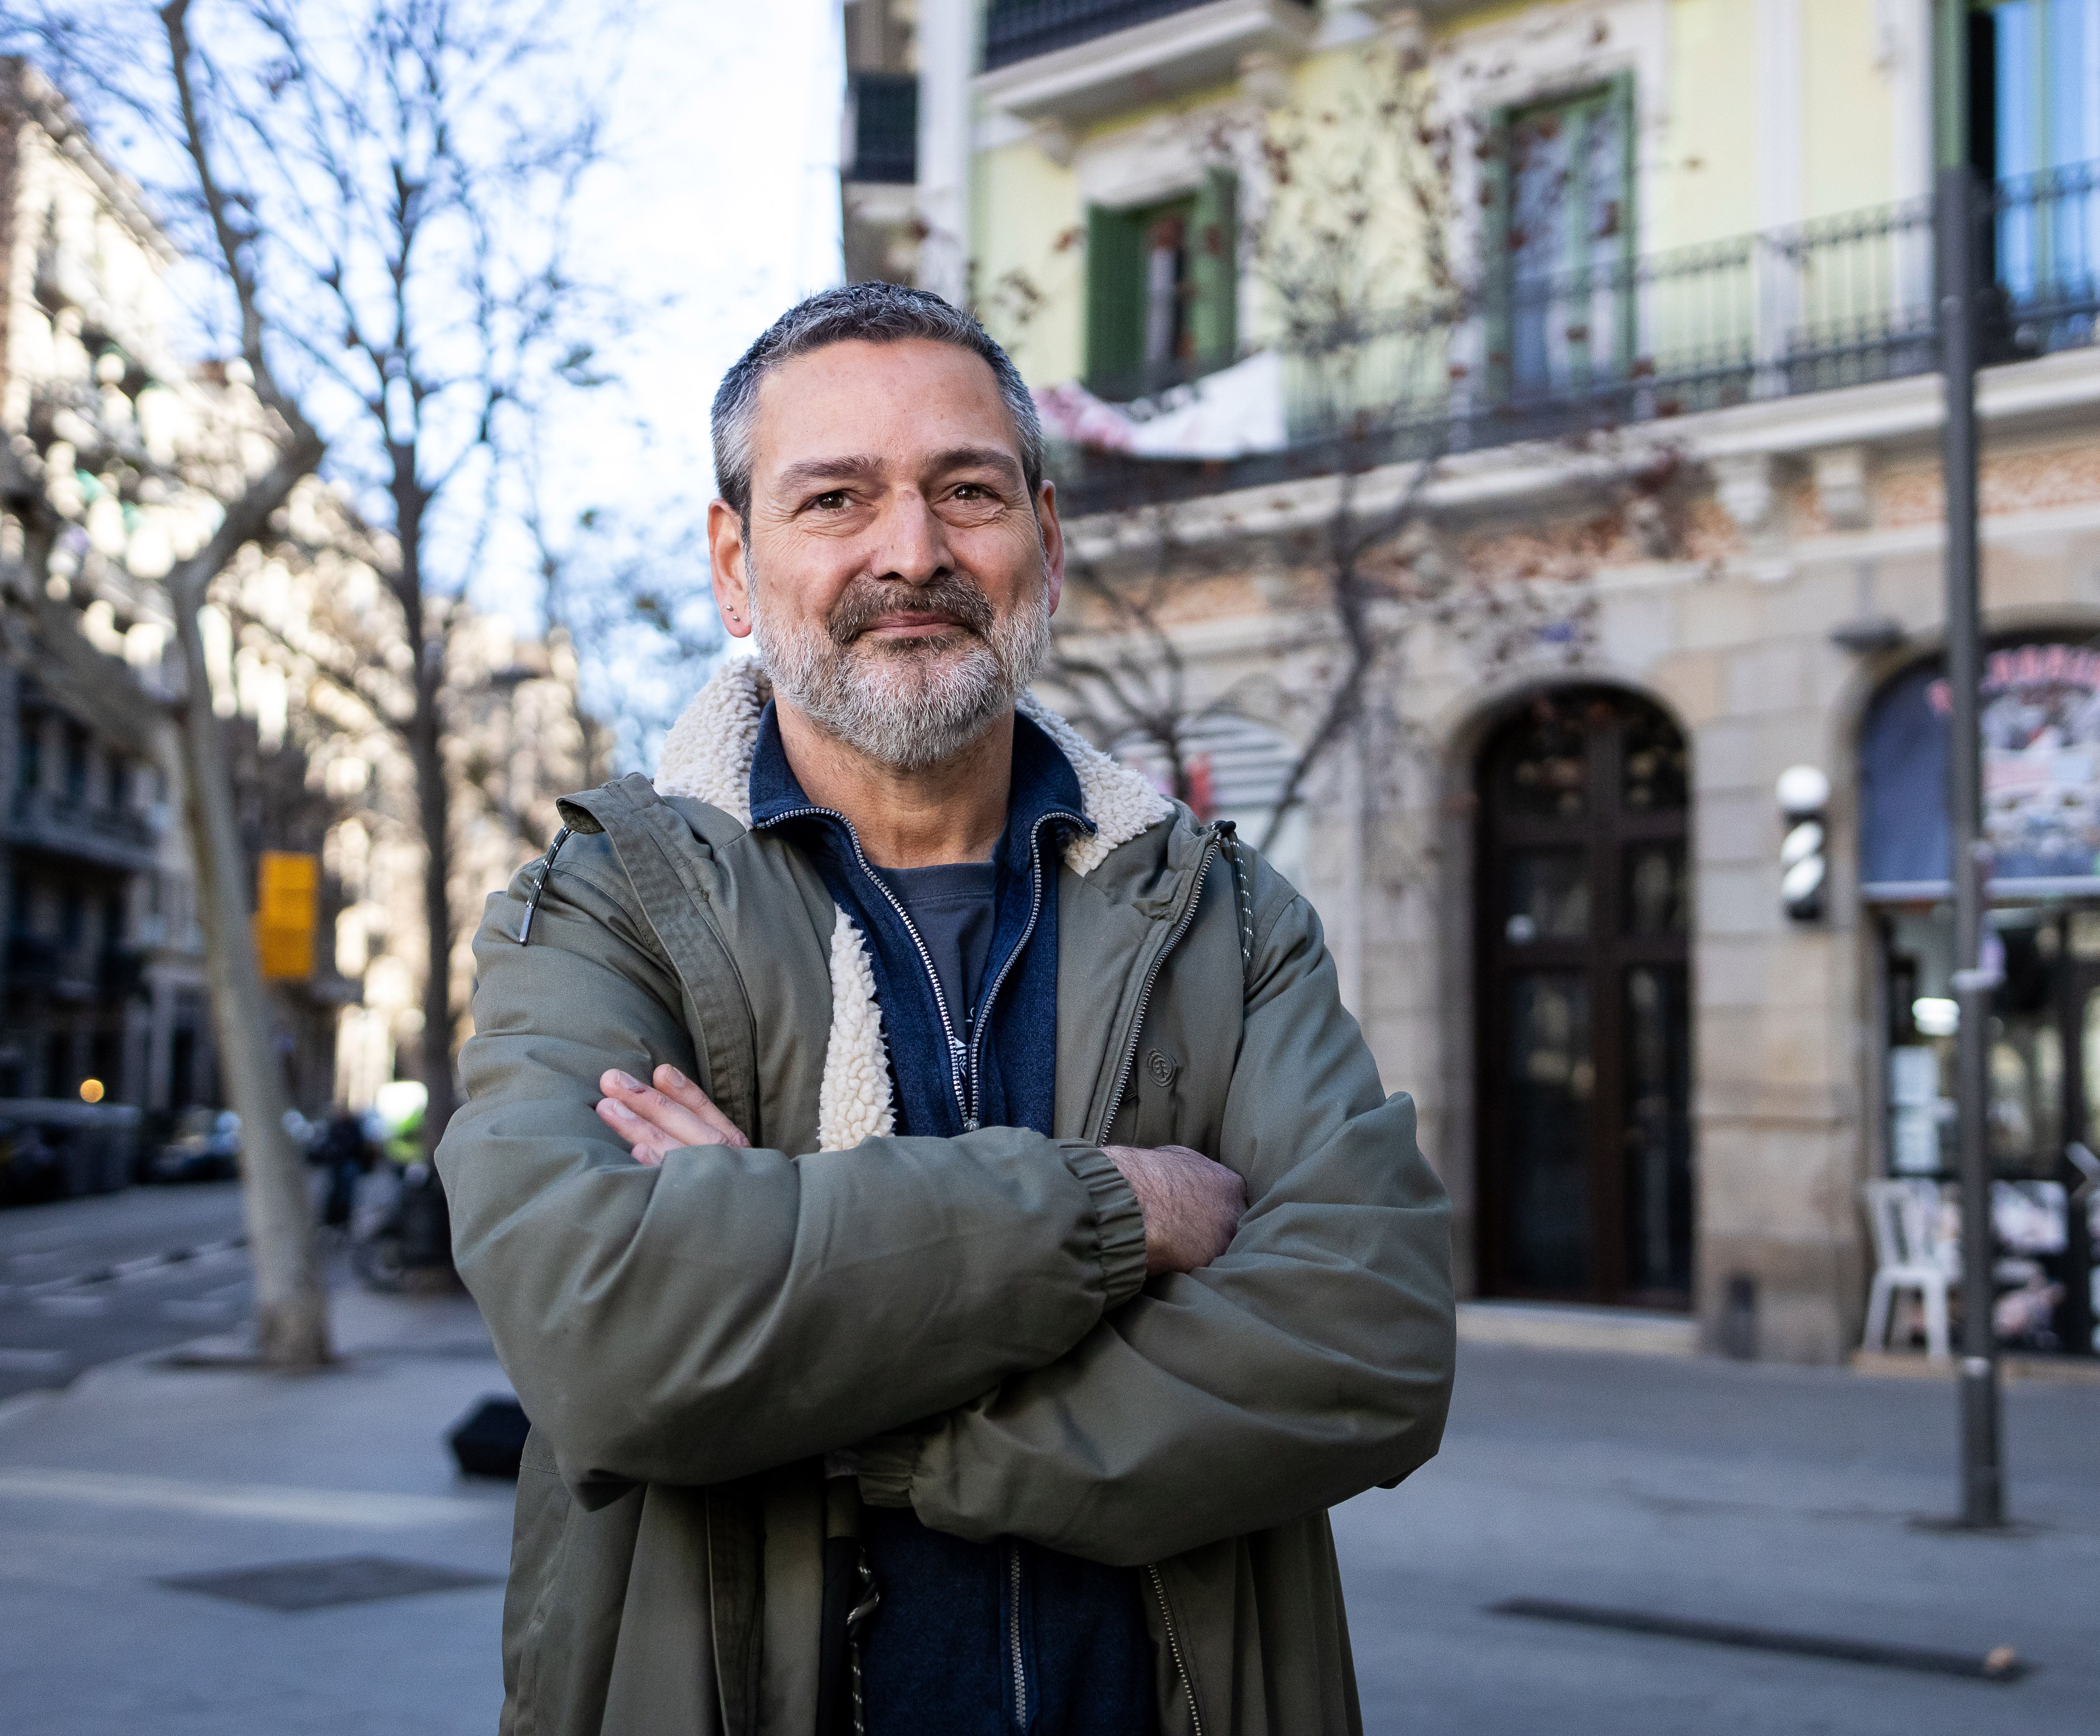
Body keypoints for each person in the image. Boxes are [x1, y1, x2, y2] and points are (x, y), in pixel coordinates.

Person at [440, 282, 1456, 1736]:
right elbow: (606, 1335)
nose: (910, 553)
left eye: (965, 491)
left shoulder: (1224, 918)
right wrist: (1120, 1208)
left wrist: (843, 1387)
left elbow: (1376, 1339)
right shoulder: (608, 908)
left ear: (1045, 538)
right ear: (736, 567)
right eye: (837, 499)